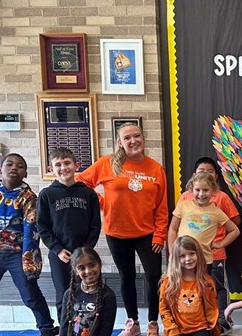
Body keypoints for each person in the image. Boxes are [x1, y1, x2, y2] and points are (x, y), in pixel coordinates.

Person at [77, 123, 169, 336]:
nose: (133, 141)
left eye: (136, 136)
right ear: (120, 142)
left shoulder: (155, 168)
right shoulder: (107, 163)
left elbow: (162, 206)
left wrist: (160, 234)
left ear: (143, 139)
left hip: (147, 233)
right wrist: (103, 201)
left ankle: (153, 322)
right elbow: (81, 181)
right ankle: (133, 322)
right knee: (126, 276)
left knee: (153, 276)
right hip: (117, 233)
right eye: (127, 138)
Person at [0, 153, 57, 336]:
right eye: (9, 164)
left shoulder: (29, 197)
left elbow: (31, 229)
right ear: (0, 170)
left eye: (20, 166)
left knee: (30, 294)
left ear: (25, 173)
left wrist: (28, 259)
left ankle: (47, 328)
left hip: (18, 253)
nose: (14, 168)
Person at [38, 147, 102, 325]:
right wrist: (57, 249)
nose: (63, 167)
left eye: (67, 163)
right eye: (58, 164)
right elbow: (42, 226)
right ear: (51, 169)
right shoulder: (46, 195)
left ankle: (86, 327)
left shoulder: (88, 194)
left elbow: (95, 224)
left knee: (87, 292)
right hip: (60, 256)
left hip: (84, 256)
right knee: (64, 295)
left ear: (76, 166)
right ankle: (66, 329)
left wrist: (86, 250)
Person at [185, 157, 242, 334]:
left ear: (216, 177)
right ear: (194, 176)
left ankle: (222, 321)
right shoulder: (186, 198)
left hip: (215, 254)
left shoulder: (221, 198)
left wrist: (218, 241)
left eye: (210, 171)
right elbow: (177, 224)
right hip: (190, 255)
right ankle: (197, 320)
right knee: (191, 287)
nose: (205, 174)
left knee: (217, 286)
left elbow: (236, 221)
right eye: (201, 170)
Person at [169, 172, 240, 266]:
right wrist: (172, 253)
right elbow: (172, 229)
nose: (201, 194)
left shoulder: (216, 212)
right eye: (197, 190)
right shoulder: (183, 205)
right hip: (182, 259)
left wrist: (220, 244)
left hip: (204, 261)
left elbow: (235, 230)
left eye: (205, 190)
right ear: (191, 189)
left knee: (204, 281)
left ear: (213, 190)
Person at [159, 236, 220, 336]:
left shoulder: (207, 282)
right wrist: (172, 330)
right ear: (176, 259)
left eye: (192, 253)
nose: (188, 259)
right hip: (177, 330)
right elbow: (163, 309)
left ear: (198, 254)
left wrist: (214, 329)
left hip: (201, 328)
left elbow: (213, 307)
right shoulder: (168, 282)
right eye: (182, 256)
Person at [59, 247, 117, 336]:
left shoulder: (108, 296)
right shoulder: (69, 293)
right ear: (76, 271)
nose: (88, 271)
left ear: (100, 265)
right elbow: (64, 327)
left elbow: (106, 330)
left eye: (92, 265)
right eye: (82, 268)